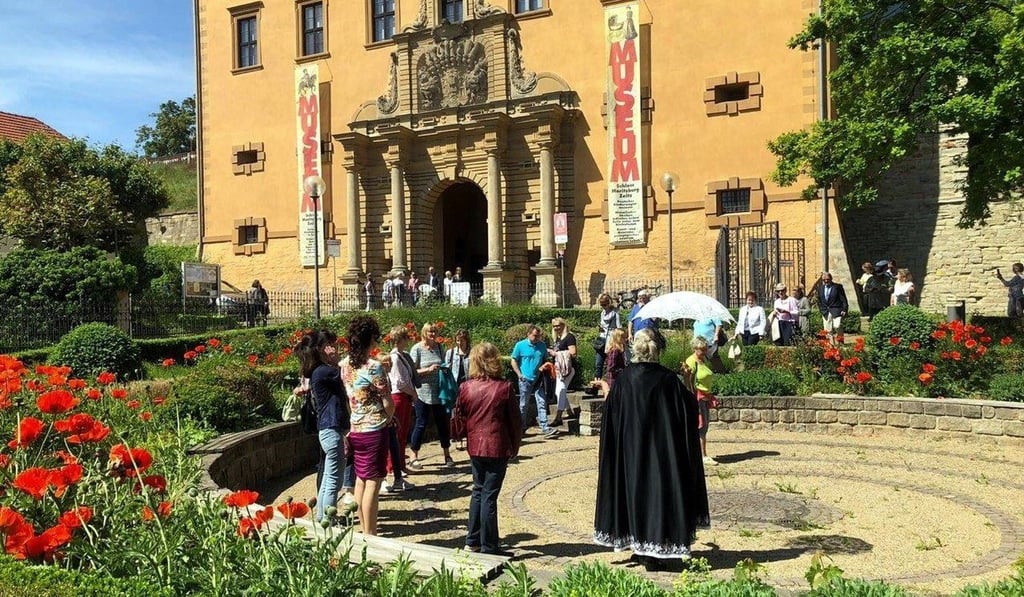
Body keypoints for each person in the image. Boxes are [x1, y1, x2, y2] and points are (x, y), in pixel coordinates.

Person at [593, 328, 710, 571]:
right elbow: (689, 411)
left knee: (633, 492)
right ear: (656, 350)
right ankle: (654, 548)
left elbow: (611, 415)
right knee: (659, 494)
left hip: (631, 450)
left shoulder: (625, 379)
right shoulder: (668, 379)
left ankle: (641, 546)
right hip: (661, 451)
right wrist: (688, 381)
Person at [451, 342, 522, 556]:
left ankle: (472, 540)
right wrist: (515, 445)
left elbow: (460, 415)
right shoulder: (504, 387)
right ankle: (489, 546)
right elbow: (515, 421)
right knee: (489, 495)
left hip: (475, 445)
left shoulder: (466, 386)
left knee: (478, 491)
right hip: (497, 445)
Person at [338, 316, 394, 535]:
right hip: (374, 429)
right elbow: (387, 401)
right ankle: (371, 534)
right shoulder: (374, 367)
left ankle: (364, 529)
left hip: (356, 429)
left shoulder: (344, 365)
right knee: (373, 483)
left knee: (361, 480)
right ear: (371, 338)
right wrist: (389, 419)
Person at [295, 329, 349, 522]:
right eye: (329, 344)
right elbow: (347, 375)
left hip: (327, 430)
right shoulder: (324, 371)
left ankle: (322, 517)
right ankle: (329, 520)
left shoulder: (318, 371)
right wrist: (335, 361)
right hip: (332, 429)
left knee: (328, 477)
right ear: (319, 349)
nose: (334, 347)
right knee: (334, 479)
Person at [408, 323, 455, 468]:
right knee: (421, 423)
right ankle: (414, 455)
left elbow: (444, 364)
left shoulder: (439, 348)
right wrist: (428, 370)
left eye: (435, 331)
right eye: (430, 331)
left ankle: (447, 455)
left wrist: (444, 368)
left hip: (439, 392)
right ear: (424, 333)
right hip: (422, 392)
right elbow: (412, 371)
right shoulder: (417, 349)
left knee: (442, 423)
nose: (433, 334)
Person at [385, 325, 418, 492]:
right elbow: (399, 382)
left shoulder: (401, 356)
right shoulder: (395, 358)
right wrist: (412, 393)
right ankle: (392, 467)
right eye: (405, 337)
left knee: (403, 433)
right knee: (397, 434)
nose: (408, 340)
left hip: (404, 396)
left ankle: (401, 466)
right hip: (399, 396)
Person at [510, 325, 557, 438]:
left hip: (539, 379)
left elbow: (545, 359)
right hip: (525, 379)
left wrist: (545, 366)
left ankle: (545, 427)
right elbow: (513, 360)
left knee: (541, 402)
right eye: (535, 335)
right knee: (523, 404)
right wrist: (519, 374)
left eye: (538, 336)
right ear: (528, 334)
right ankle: (521, 428)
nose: (537, 338)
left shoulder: (542, 346)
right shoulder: (520, 345)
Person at [681, 336, 718, 467]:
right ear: (694, 348)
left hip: (705, 396)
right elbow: (688, 382)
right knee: (701, 426)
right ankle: (702, 455)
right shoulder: (691, 361)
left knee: (704, 426)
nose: (704, 352)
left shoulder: (703, 360)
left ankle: (698, 453)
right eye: (701, 349)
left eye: (705, 349)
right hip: (697, 397)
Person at [547, 318, 577, 427]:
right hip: (559, 369)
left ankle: (558, 416)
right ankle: (569, 412)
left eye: (558, 325)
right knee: (559, 392)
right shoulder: (557, 338)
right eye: (554, 326)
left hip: (567, 369)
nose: (556, 328)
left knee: (561, 390)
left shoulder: (569, 337)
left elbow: (573, 352)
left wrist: (556, 353)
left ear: (563, 325)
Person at [445, 329, 471, 450]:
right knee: (455, 413)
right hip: (454, 386)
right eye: (457, 340)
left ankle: (466, 436)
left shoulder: (472, 353)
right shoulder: (450, 353)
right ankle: (457, 436)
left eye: (461, 340)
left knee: (467, 412)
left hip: (468, 386)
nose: (459, 343)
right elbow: (445, 368)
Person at [594, 293, 621, 381]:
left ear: (609, 303)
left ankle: (610, 382)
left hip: (611, 339)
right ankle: (596, 383)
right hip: (602, 339)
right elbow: (602, 326)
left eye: (604, 304)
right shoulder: (602, 313)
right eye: (601, 305)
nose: (603, 307)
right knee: (598, 363)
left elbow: (619, 328)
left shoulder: (615, 313)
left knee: (611, 363)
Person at [816, 271, 849, 339]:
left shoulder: (837, 287)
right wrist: (821, 309)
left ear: (831, 279)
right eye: (824, 280)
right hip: (825, 311)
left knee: (837, 326)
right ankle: (831, 346)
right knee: (828, 330)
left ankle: (840, 340)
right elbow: (819, 300)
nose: (826, 281)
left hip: (836, 310)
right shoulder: (820, 288)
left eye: (827, 279)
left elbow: (843, 299)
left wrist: (844, 309)